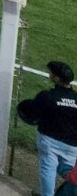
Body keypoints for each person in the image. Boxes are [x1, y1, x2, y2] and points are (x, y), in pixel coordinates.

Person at [17, 61, 77, 196]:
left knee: (48, 170)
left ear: (56, 78)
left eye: (51, 73)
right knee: (71, 175)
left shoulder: (47, 96)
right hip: (72, 146)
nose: (49, 74)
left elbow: (32, 114)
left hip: (49, 142)